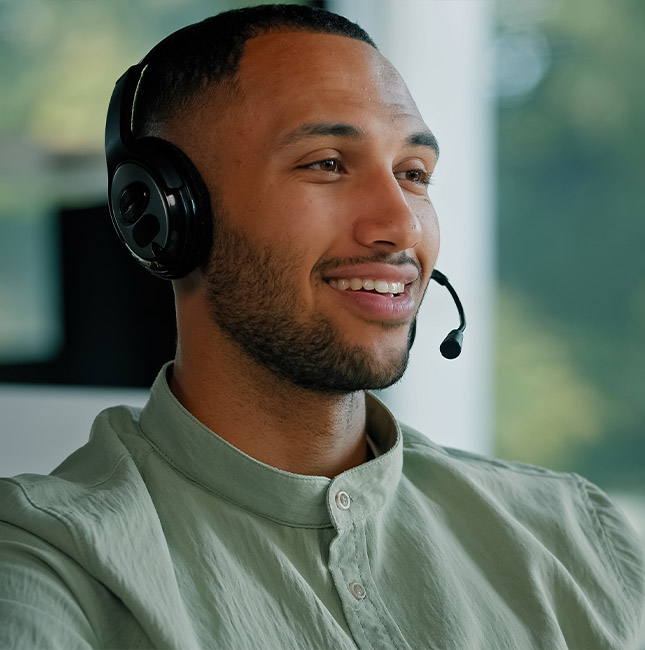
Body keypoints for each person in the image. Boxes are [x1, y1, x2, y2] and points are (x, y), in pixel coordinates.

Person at [0, 4, 643, 649]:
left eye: (414, 174)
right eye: (327, 163)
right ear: (165, 216)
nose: (402, 225)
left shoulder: (573, 534)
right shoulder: (49, 564)